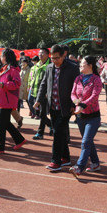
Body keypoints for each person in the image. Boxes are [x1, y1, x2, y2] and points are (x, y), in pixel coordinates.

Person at [35, 44, 80, 172]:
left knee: (57, 133)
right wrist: (38, 100)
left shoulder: (72, 68)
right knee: (59, 131)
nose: (54, 61)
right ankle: (65, 158)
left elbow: (77, 88)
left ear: (63, 55)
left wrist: (73, 105)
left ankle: (56, 161)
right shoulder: (49, 67)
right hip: (52, 105)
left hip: (65, 107)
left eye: (57, 58)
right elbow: (44, 84)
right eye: (52, 58)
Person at [69, 55, 103, 177]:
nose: (80, 66)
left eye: (82, 64)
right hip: (80, 117)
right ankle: (95, 163)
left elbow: (94, 96)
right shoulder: (78, 78)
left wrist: (82, 105)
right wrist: (75, 101)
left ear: (90, 66)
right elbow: (73, 93)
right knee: (88, 142)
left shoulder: (96, 80)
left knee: (85, 142)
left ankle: (79, 167)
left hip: (93, 117)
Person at [0, 48, 26, 154]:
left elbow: (16, 84)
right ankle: (19, 139)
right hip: (2, 99)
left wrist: (3, 85)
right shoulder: (4, 68)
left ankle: (0, 147)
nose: (0, 58)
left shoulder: (13, 69)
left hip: (8, 100)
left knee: (0, 122)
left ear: (5, 57)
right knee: (4, 122)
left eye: (1, 56)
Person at [31, 48, 52, 140]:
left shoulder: (50, 65)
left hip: (44, 93)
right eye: (39, 53)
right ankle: (51, 125)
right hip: (34, 92)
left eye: (42, 53)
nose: (40, 55)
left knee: (42, 113)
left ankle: (40, 133)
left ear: (48, 54)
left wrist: (47, 92)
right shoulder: (36, 65)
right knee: (36, 112)